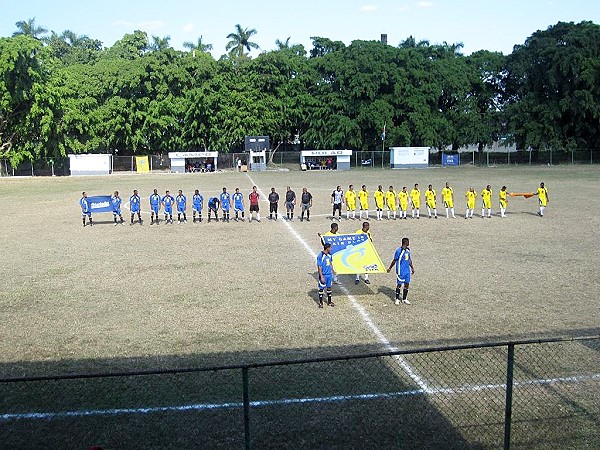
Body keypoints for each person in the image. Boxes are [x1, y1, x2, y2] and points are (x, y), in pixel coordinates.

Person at [387, 237, 415, 305]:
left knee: (407, 284)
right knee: (399, 285)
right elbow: (394, 260)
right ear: (405, 243)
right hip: (400, 271)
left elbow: (409, 259)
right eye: (408, 242)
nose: (409, 243)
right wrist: (390, 268)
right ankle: (397, 299)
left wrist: (412, 268)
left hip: (407, 271)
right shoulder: (398, 251)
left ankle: (404, 299)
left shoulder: (408, 250)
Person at [317, 243, 336, 308]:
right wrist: (321, 276)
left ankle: (329, 302)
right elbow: (319, 267)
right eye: (330, 248)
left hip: (329, 275)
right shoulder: (320, 256)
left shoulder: (330, 255)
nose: (331, 249)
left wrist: (333, 270)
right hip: (324, 275)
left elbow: (330, 263)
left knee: (329, 288)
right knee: (321, 289)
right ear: (327, 248)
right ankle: (321, 303)